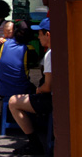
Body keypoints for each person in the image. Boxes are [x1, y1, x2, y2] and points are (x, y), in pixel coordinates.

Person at [9, 18, 52, 155]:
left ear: (48, 35)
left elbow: (48, 87)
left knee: (13, 102)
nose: (38, 37)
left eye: (40, 34)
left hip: (51, 99)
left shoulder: (50, 54)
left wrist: (39, 89)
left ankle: (34, 143)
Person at [0, 21, 34, 101]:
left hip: (2, 90)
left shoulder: (3, 44)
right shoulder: (28, 49)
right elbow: (34, 62)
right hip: (21, 91)